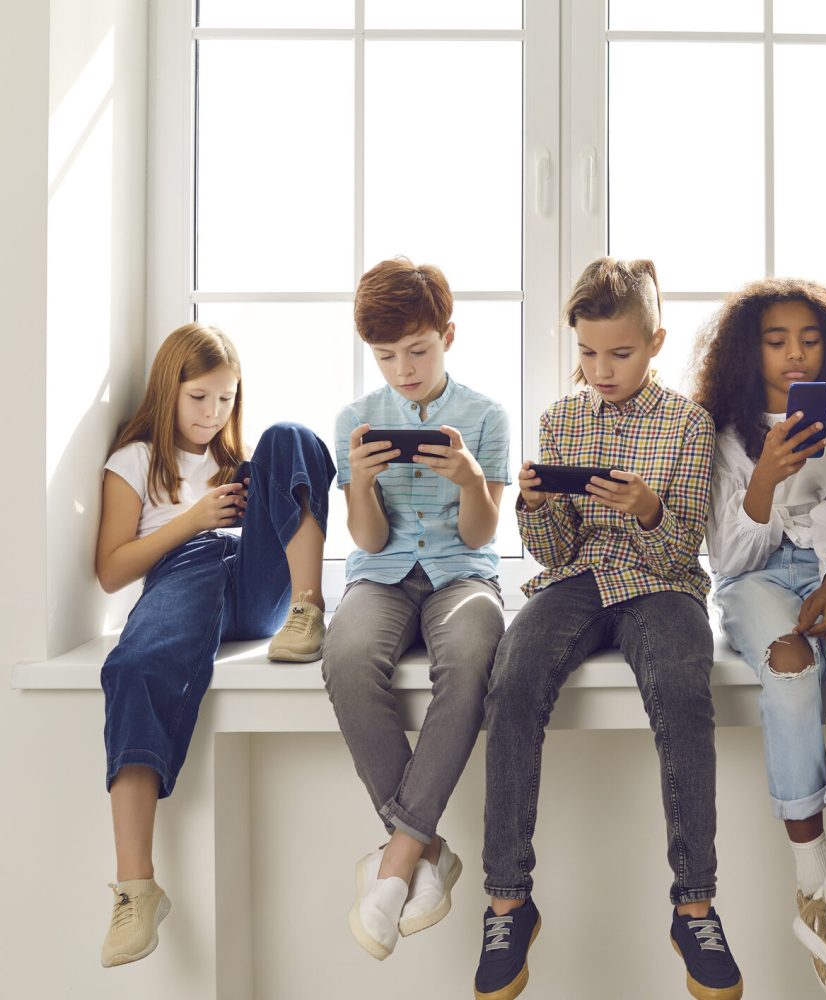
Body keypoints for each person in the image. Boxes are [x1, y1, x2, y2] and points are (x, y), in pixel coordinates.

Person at [473, 258, 743, 1000]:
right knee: (514, 680)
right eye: (588, 353)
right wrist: (534, 503)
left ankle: (695, 905)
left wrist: (647, 508)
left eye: (619, 353)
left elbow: (680, 547)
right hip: (578, 578)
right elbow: (555, 552)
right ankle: (507, 901)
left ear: (655, 342)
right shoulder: (562, 418)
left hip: (661, 585)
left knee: (684, 693)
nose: (601, 369)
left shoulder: (688, 424)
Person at [97, 322, 335, 967]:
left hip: (257, 583)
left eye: (226, 399)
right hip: (184, 568)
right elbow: (113, 570)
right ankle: (136, 888)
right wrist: (192, 520)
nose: (213, 413)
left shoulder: (241, 463)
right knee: (134, 665)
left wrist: (243, 508)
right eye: (199, 397)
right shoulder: (136, 461)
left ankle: (310, 610)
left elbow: (277, 512)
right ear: (168, 390)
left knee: (292, 438)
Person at [694, 278, 826, 1000]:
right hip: (758, 579)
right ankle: (809, 885)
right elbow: (732, 557)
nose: (795, 353)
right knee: (790, 665)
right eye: (777, 340)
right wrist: (767, 481)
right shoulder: (723, 429)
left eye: (809, 338)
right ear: (752, 350)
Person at [322, 258, 510, 962]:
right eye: (386, 355)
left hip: (464, 575)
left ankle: (398, 860)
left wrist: (469, 481)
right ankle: (425, 846)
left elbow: (480, 535)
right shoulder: (356, 420)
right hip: (381, 574)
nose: (403, 369)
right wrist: (362, 486)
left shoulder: (487, 416)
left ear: (448, 336)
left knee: (470, 662)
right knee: (344, 659)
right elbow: (365, 540)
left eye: (419, 350)